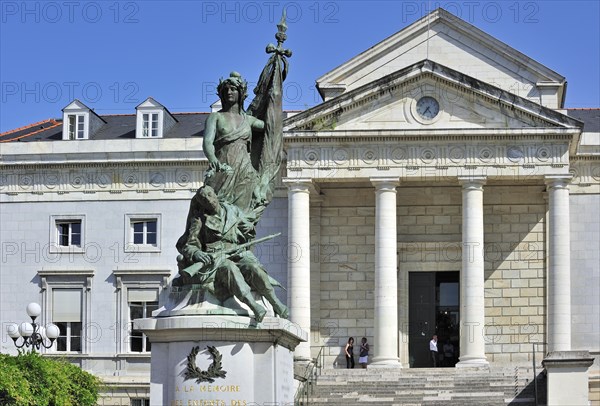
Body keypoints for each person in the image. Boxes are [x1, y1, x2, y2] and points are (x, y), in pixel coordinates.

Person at [175, 185, 288, 322]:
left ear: (215, 194)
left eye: (210, 195)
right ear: (201, 203)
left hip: (237, 252)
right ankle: (253, 305)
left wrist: (249, 227)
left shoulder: (233, 210)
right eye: (204, 199)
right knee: (230, 269)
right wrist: (197, 253)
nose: (208, 200)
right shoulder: (199, 219)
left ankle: (275, 302)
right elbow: (189, 244)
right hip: (216, 257)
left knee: (254, 268)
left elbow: (247, 228)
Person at [203, 72, 265, 212]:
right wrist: (212, 159)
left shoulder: (248, 120)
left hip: (244, 169)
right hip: (224, 166)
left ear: (241, 93)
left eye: (233, 89)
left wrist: (272, 93)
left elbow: (270, 126)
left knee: (241, 212)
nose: (229, 92)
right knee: (216, 209)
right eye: (226, 90)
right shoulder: (215, 117)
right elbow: (207, 141)